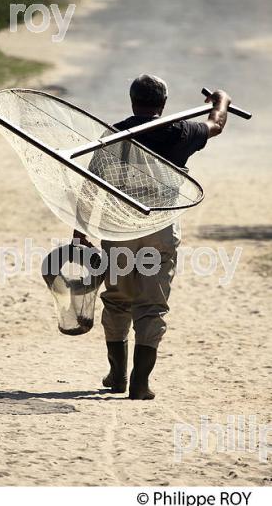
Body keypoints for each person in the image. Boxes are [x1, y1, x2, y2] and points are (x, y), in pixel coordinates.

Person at [75, 74, 231, 400]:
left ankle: (117, 375)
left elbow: (91, 188)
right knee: (151, 307)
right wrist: (221, 100)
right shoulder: (182, 131)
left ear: (132, 101)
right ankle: (139, 383)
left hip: (120, 229)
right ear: (164, 104)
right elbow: (215, 125)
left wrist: (80, 234)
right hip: (160, 231)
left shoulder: (115, 135)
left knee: (117, 299)